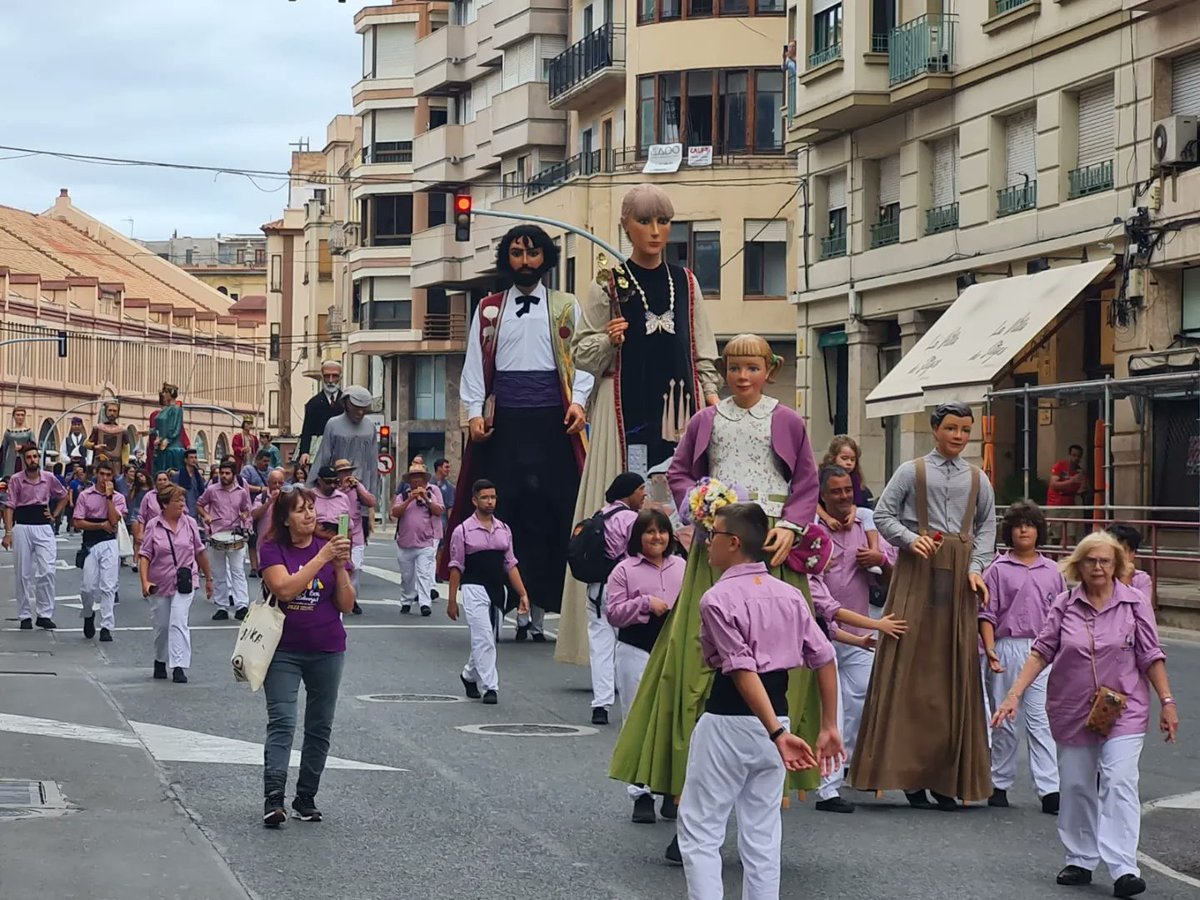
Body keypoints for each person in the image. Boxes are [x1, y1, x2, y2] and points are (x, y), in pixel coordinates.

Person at [610, 334, 824, 864]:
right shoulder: (705, 420)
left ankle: (765, 800)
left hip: (772, 548)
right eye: (733, 367)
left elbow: (806, 482)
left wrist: (793, 529)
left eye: (751, 367)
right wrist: (698, 508)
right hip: (717, 549)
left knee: (782, 665)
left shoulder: (790, 421)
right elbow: (680, 472)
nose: (742, 375)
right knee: (694, 668)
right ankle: (688, 812)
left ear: (769, 370)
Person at [560, 183, 720, 668]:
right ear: (626, 226)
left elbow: (702, 349)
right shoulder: (608, 284)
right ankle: (610, 647)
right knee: (620, 519)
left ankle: (687, 635)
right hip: (622, 412)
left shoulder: (686, 283)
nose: (655, 231)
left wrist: (713, 401)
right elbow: (581, 354)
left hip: (681, 411)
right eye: (645, 222)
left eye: (663, 222)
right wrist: (610, 340)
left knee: (685, 515)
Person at [993, 531, 1177, 899]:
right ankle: (1080, 857)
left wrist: (1167, 701)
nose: (1098, 567)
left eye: (1105, 560)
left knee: (1119, 780)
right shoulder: (1064, 604)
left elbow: (1150, 654)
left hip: (1123, 707)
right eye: (1091, 560)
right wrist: (1014, 694)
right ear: (1079, 565)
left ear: (1117, 565)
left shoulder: (1134, 603)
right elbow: (1041, 651)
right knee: (1076, 784)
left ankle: (1124, 868)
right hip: (1073, 706)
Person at [676, 502, 842, 900]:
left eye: (712, 535)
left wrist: (775, 732)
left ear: (733, 543)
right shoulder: (789, 595)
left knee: (700, 829)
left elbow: (740, 668)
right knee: (762, 834)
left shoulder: (717, 598)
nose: (706, 543)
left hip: (729, 719)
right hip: (777, 716)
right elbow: (824, 656)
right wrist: (828, 724)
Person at [444, 224, 593, 642]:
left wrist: (579, 401)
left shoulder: (566, 306)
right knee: (498, 514)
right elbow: (475, 364)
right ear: (506, 259)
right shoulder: (489, 309)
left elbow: (580, 360)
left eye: (531, 254)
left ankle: (540, 609)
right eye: (515, 254)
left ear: (545, 258)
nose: (524, 262)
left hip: (553, 422)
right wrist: (475, 412)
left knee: (552, 514)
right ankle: (495, 604)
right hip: (504, 423)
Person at [850, 400, 996, 811]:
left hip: (959, 573)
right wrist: (908, 540)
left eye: (966, 430)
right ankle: (907, 775)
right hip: (918, 568)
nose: (959, 436)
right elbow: (882, 515)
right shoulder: (911, 471)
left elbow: (987, 526)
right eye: (951, 428)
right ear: (935, 428)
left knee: (955, 670)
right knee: (909, 666)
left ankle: (946, 779)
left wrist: (978, 567)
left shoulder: (977, 478)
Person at [259, 485, 356, 827]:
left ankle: (305, 797)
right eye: (300, 510)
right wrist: (323, 558)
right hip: (283, 648)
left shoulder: (328, 549)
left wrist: (341, 567)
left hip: (327, 648)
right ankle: (274, 798)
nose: (309, 514)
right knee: (283, 721)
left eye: (312, 507)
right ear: (285, 519)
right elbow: (284, 589)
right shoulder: (272, 549)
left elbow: (346, 604)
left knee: (319, 727)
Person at [808, 464, 897, 813]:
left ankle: (845, 766)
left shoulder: (867, 527)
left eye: (848, 490)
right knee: (831, 710)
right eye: (836, 492)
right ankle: (827, 789)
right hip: (821, 635)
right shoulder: (811, 530)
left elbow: (889, 581)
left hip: (860, 634)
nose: (844, 497)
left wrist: (881, 561)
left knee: (860, 706)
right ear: (823, 495)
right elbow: (817, 597)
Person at [979, 500, 1065, 813]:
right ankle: (999, 783)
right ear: (1010, 531)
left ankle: (1050, 789)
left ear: (1039, 530)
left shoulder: (1053, 571)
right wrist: (990, 649)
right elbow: (986, 613)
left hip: (1042, 650)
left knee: (1041, 720)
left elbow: (1060, 618)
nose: (1024, 530)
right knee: (1005, 719)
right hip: (1007, 645)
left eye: (1029, 525)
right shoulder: (998, 570)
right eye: (1018, 525)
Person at [605, 507, 686, 823]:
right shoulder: (624, 570)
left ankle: (670, 789)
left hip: (672, 650)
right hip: (636, 648)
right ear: (638, 537)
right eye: (650, 532)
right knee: (638, 717)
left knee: (671, 718)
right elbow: (613, 613)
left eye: (662, 531)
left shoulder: (682, 566)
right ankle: (641, 793)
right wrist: (643, 604)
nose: (657, 537)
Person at [447, 479, 530, 705]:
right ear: (475, 500)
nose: (490, 501)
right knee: (483, 637)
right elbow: (456, 566)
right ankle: (490, 686)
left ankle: (469, 675)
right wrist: (452, 599)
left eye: (493, 497)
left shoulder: (504, 529)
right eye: (485, 497)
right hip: (473, 587)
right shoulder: (462, 530)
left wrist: (522, 594)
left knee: (489, 638)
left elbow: (510, 563)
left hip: (497, 589)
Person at [585, 472, 646, 726]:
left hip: (596, 586)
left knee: (600, 644)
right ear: (629, 491)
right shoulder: (631, 519)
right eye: (641, 489)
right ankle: (632, 701)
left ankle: (601, 704)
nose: (644, 494)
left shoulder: (600, 514)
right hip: (624, 585)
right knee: (628, 646)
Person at [139, 484, 212, 684]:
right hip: (160, 581)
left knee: (178, 621)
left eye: (182, 500)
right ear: (164, 504)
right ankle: (160, 660)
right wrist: (145, 581)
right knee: (162, 625)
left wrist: (209, 579)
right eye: (177, 500)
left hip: (185, 580)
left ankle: (179, 666)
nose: (182, 504)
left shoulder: (189, 523)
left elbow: (199, 551)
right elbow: (145, 555)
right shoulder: (153, 525)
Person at [3, 444, 69, 629]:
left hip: (43, 526)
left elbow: (64, 495)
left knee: (47, 570)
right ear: (24, 460)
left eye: (35, 456)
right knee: (23, 573)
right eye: (29, 457)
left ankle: (44, 613)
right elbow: (9, 506)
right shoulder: (16, 480)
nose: (33, 460)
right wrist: (8, 532)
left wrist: (54, 514)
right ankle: (24, 615)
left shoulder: (48, 478)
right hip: (22, 525)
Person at [306, 386, 383, 543]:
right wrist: (309, 490)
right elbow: (323, 456)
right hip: (335, 489)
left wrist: (373, 503)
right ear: (346, 403)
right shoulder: (333, 424)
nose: (360, 412)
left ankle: (353, 564)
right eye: (356, 407)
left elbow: (372, 465)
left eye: (363, 409)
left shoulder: (369, 427)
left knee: (357, 540)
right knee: (338, 534)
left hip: (360, 491)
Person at [74, 459, 128, 642]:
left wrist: (109, 497)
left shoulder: (118, 498)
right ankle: (88, 615)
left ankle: (107, 625)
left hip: (109, 543)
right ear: (96, 474)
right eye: (102, 474)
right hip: (90, 543)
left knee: (108, 585)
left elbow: (114, 522)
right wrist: (98, 526)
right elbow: (77, 521)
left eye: (108, 475)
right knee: (87, 587)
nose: (105, 478)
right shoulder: (85, 496)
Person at [197, 461, 252, 621]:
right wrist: (206, 516)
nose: (224, 476)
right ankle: (221, 607)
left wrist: (244, 517)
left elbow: (247, 510)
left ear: (233, 475)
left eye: (227, 473)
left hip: (235, 534)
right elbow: (200, 505)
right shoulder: (211, 490)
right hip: (216, 534)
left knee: (237, 571)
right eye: (222, 473)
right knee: (219, 573)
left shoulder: (241, 492)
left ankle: (242, 605)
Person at [392, 462, 444, 616]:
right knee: (407, 577)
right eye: (414, 478)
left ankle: (425, 603)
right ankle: (406, 600)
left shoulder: (431, 493)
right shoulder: (403, 495)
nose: (417, 481)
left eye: (420, 478)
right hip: (405, 543)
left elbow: (438, 510)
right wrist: (410, 499)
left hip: (425, 542)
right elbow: (395, 512)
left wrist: (426, 500)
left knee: (424, 573)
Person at [335, 458, 375, 608]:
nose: (346, 475)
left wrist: (357, 487)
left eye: (348, 472)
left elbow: (371, 502)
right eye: (343, 472)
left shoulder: (357, 486)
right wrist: (342, 489)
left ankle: (352, 599)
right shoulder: (334, 488)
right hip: (338, 534)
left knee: (355, 568)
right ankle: (340, 596)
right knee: (339, 567)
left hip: (356, 533)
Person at [297, 360, 346, 466]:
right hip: (319, 455)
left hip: (343, 454)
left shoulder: (347, 402)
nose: (331, 380)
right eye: (327, 376)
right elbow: (307, 430)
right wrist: (304, 452)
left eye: (335, 376)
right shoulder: (313, 403)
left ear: (340, 377)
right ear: (322, 377)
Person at [1047, 443, 1088, 547]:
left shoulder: (1080, 472)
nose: (1076, 458)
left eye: (1078, 456)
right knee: (1055, 537)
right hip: (1055, 504)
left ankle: (1069, 561)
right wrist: (1072, 481)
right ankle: (1053, 561)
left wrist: (1083, 483)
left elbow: (1082, 490)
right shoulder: (1059, 466)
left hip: (1070, 505)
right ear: (1069, 455)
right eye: (1074, 455)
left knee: (1071, 536)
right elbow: (1054, 484)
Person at [242, 450, 273, 576]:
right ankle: (254, 567)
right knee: (253, 537)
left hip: (266, 505)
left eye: (268, 461)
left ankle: (264, 564)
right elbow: (243, 485)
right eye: (264, 461)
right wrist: (260, 489)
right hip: (251, 505)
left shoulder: (271, 471)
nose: (266, 464)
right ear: (258, 460)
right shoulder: (248, 470)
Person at [1107, 524, 1153, 604]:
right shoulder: (1098, 574)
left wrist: (1125, 583)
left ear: (1133, 553)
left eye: (1120, 551)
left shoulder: (1142, 579)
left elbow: (1143, 614)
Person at [150, 383, 186, 475]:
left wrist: (167, 439)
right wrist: (152, 434)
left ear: (172, 394)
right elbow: (159, 428)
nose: (163, 394)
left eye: (166, 392)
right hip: (161, 447)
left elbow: (175, 427)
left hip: (172, 447)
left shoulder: (176, 409)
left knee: (170, 472)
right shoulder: (164, 410)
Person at [86, 400, 132, 466]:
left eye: (114, 411)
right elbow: (86, 443)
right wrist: (95, 446)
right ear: (106, 411)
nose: (112, 413)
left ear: (118, 413)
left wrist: (125, 464)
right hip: (100, 463)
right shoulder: (98, 428)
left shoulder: (123, 430)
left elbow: (126, 449)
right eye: (110, 410)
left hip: (116, 465)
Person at [1, 408, 34, 477]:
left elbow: (34, 447)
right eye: (18, 415)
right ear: (14, 416)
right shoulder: (8, 432)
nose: (20, 417)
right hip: (10, 461)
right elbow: (3, 450)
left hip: (24, 460)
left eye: (22, 415)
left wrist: (23, 447)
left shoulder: (29, 432)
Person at [176, 448, 207, 523]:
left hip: (197, 512)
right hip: (183, 511)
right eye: (191, 457)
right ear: (185, 460)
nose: (194, 460)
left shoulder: (198, 477)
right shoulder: (178, 475)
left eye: (195, 457)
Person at [432, 458, 455, 541]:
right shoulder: (428, 483)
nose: (449, 470)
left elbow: (450, 508)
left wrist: (450, 526)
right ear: (439, 468)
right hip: (426, 524)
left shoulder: (449, 487)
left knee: (440, 549)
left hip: (442, 524)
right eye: (446, 467)